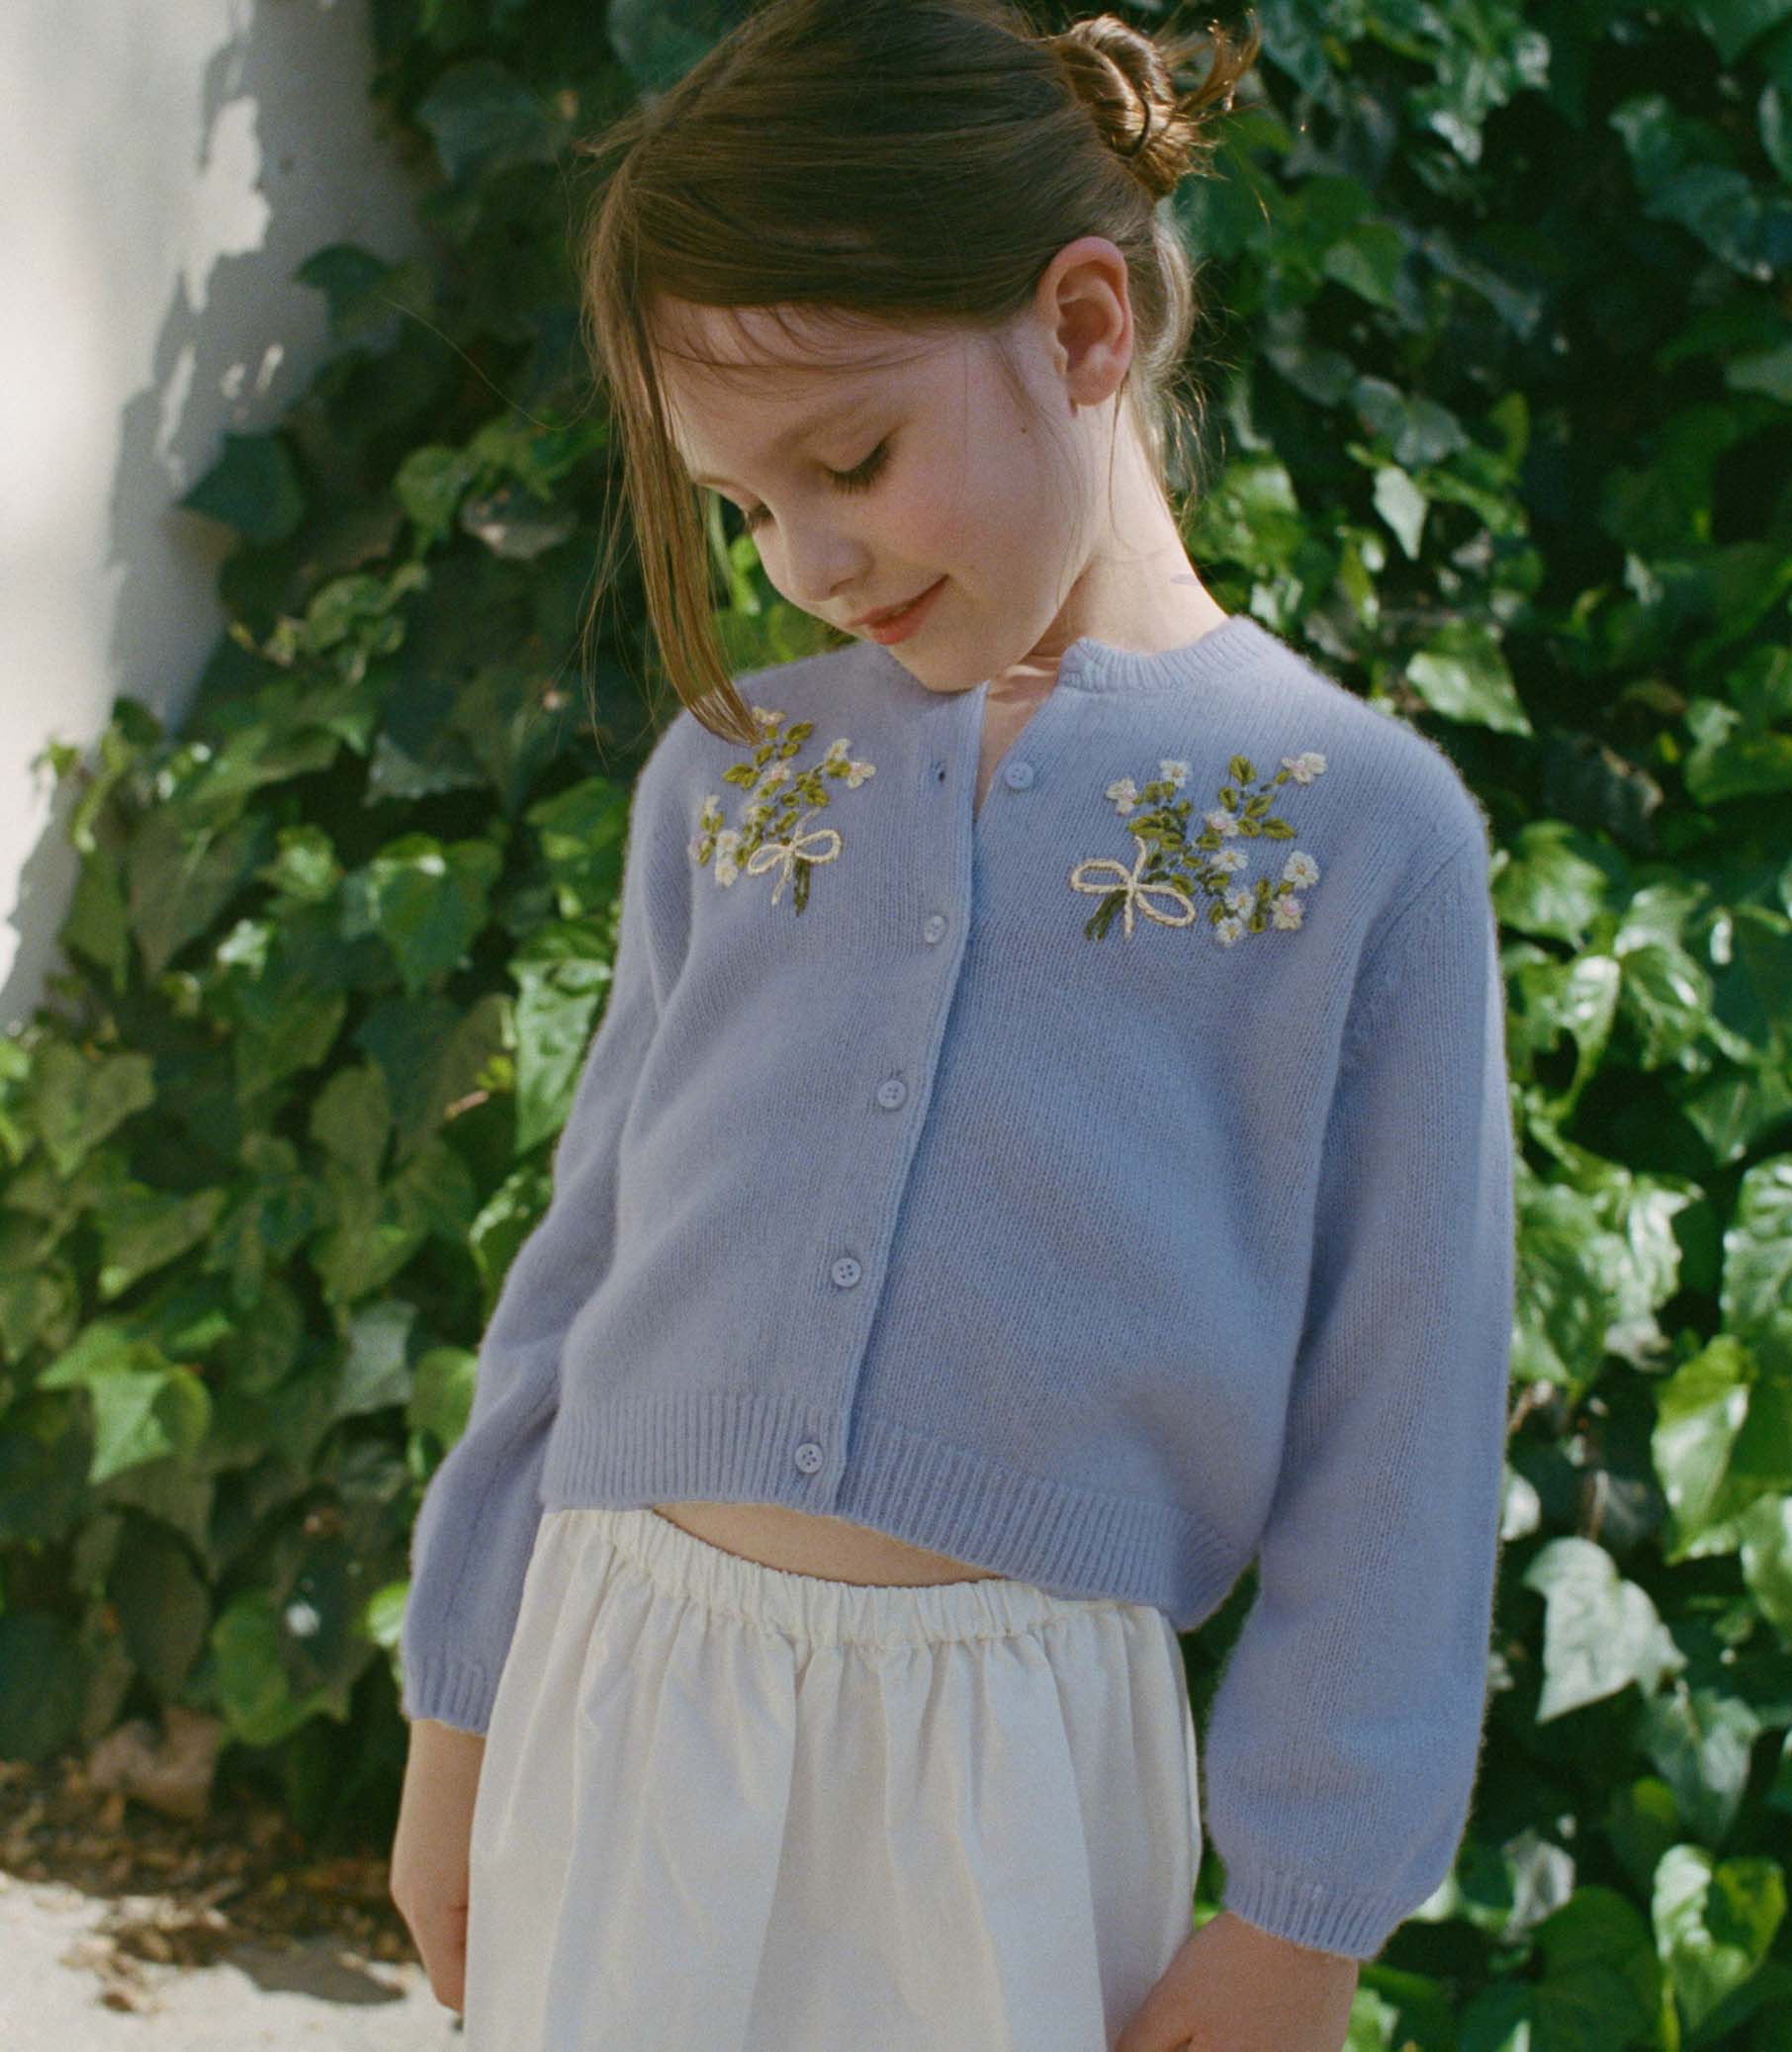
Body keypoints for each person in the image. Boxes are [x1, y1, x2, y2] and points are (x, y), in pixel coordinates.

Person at [389, 3, 1517, 2048]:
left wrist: (1307, 1912)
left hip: (1012, 1780)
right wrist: (456, 1708)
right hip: (619, 1696)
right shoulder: (738, 777)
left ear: (1083, 327)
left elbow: (1402, 1425)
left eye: (850, 463)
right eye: (744, 509)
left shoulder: (1358, 838)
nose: (805, 567)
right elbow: (583, 1266)